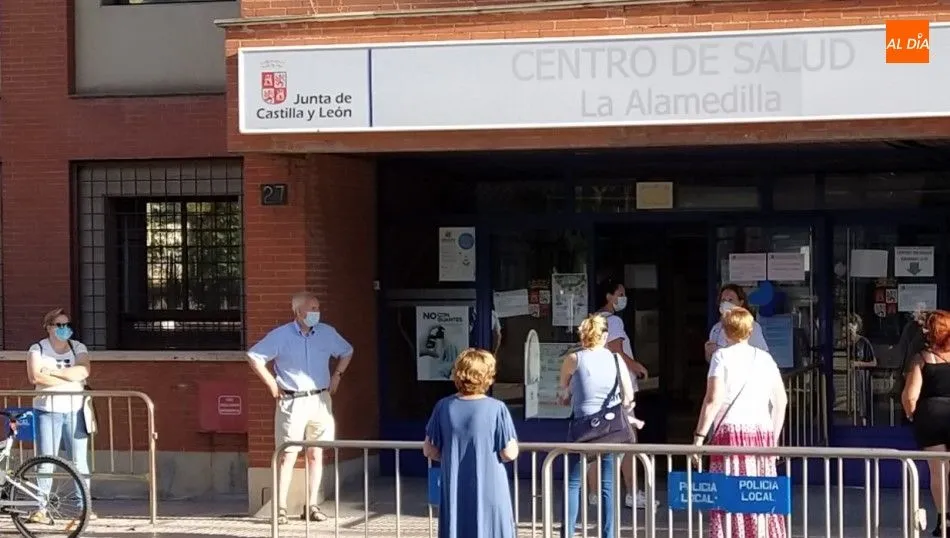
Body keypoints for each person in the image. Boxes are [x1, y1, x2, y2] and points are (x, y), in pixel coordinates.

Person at [247, 292, 354, 525]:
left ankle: (312, 504)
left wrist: (337, 375)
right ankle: (281, 507)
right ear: (297, 312)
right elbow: (254, 356)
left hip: (321, 399)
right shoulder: (281, 335)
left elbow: (347, 351)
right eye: (311, 308)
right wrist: (271, 383)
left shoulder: (327, 333)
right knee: (288, 454)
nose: (316, 312)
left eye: (317, 307)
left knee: (316, 454)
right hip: (293, 401)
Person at [692, 306, 787, 538]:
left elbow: (713, 400)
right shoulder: (765, 358)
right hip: (761, 433)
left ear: (725, 332)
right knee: (759, 493)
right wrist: (772, 439)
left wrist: (699, 438)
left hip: (730, 433)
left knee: (728, 492)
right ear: (750, 330)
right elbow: (781, 401)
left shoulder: (721, 356)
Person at [424, 348, 518, 538]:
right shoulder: (497, 408)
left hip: (455, 484)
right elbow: (509, 452)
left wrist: (452, 453)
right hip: (490, 483)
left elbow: (429, 449)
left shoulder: (443, 406)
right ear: (487, 376)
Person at [558, 314, 636, 538]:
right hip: (610, 429)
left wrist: (569, 394)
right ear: (604, 335)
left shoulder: (573, 359)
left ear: (583, 335)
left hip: (583, 428)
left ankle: (569, 533)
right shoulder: (615, 359)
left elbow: (563, 395)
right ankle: (608, 534)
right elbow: (628, 397)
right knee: (608, 484)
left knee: (573, 483)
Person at [26, 308, 96, 523]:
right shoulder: (37, 349)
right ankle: (41, 508)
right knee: (46, 460)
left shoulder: (78, 347)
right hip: (47, 410)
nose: (64, 329)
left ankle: (83, 506)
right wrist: (69, 377)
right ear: (48, 327)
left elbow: (83, 371)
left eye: (67, 325)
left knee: (79, 461)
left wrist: (53, 373)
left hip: (76, 409)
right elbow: (35, 377)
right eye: (59, 325)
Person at [590, 277, 650, 510]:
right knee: (628, 440)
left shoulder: (594, 320)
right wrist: (637, 366)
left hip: (600, 386)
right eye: (620, 294)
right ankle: (633, 492)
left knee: (597, 442)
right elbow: (616, 350)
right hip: (619, 388)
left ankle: (595, 493)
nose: (623, 298)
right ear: (609, 296)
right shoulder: (613, 321)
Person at [901, 310, 950, 537]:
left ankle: (944, 519)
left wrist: (913, 415)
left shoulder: (922, 359)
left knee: (938, 472)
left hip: (932, 416)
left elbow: (911, 396)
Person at [704, 283, 769, 362]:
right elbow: (711, 361)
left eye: (730, 300)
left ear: (740, 303)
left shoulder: (751, 326)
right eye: (723, 300)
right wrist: (708, 352)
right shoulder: (716, 329)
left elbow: (761, 357)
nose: (726, 303)